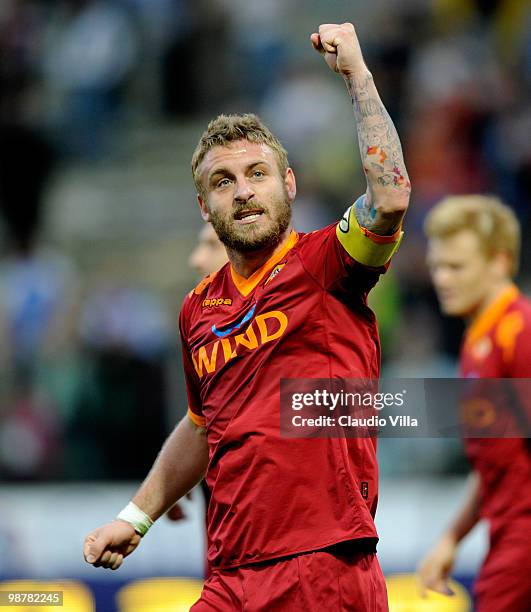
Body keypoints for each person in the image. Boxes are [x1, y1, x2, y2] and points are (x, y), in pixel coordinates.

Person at [83, 23, 411, 610]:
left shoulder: (326, 264)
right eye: (223, 181)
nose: (242, 192)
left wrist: (358, 76)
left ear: (288, 183)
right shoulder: (196, 310)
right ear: (203, 204)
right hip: (229, 573)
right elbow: (200, 425)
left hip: (322, 565)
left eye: (257, 174)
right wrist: (135, 518)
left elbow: (389, 198)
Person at [418, 195, 531, 611]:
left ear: (500, 262)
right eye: (436, 267)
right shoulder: (478, 342)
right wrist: (452, 538)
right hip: (505, 538)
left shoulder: (519, 333)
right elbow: (496, 464)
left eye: (456, 266)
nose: (442, 279)